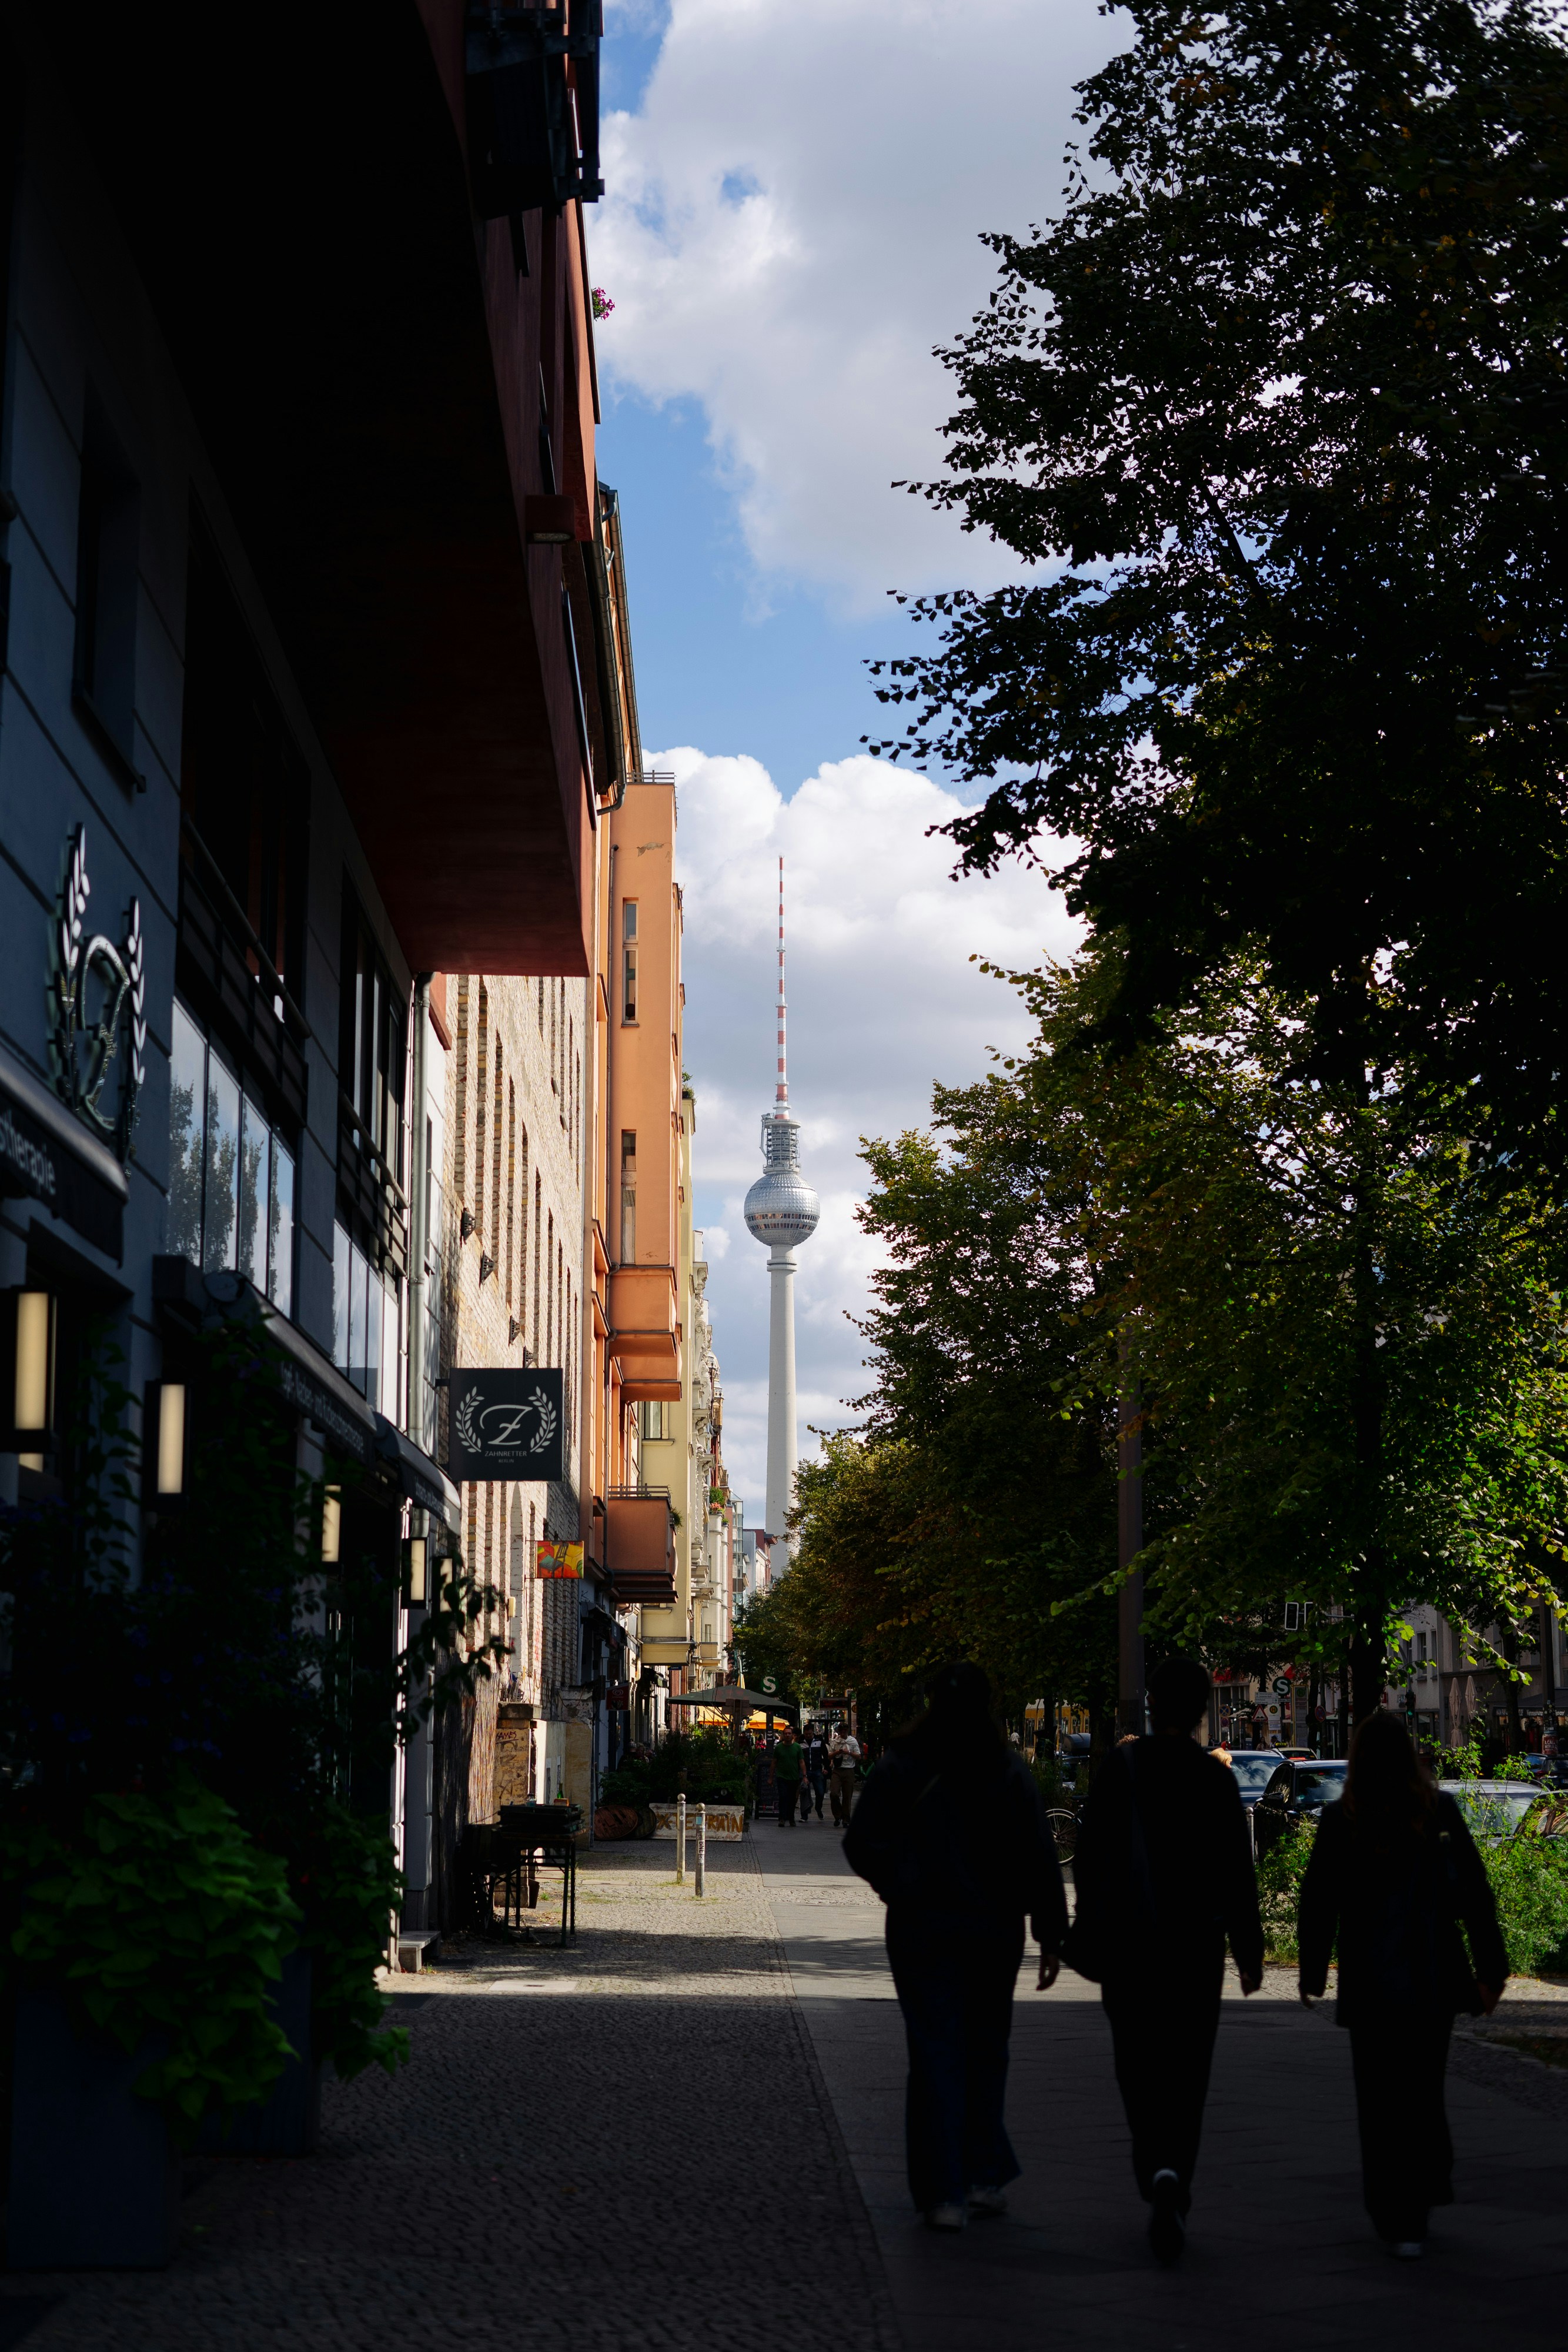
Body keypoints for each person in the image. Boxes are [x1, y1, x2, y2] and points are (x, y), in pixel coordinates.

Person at [845, 1663, 1066, 2231]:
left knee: (933, 2049)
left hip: (920, 1926)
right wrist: (1050, 1934)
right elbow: (1039, 1855)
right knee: (987, 2048)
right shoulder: (1006, 1769)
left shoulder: (902, 1764)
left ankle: (942, 2191)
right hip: (994, 1927)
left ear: (930, 1704)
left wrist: (899, 1885)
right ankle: (982, 2177)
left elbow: (861, 1841)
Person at [1067, 1656, 1263, 2266]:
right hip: (1194, 1950)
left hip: (1130, 1947)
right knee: (1188, 2071)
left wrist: (1086, 1926)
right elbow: (1237, 1873)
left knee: (1137, 2064)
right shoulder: (1214, 1779)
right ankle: (1175, 2171)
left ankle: (1154, 2166)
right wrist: (1249, 1951)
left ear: (1151, 1703)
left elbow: (1090, 1857)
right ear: (1202, 1709)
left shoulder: (1120, 1768)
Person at [1298, 1707, 1506, 2257]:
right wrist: (1490, 1971)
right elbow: (1475, 1894)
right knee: (1422, 2090)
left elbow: (1318, 1902)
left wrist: (1312, 1972)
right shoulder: (1437, 1811)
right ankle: (1423, 2188)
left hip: (1370, 1981)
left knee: (1378, 2100)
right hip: (1432, 1976)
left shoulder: (1342, 1819)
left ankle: (1391, 2208)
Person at [828, 1722, 862, 1827]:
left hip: (849, 1770)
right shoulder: (835, 1742)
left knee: (847, 1796)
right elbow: (829, 1756)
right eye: (841, 1731)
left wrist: (849, 1753)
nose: (843, 1733)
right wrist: (837, 1753)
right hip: (837, 1770)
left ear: (847, 1731)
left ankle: (846, 1819)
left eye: (845, 1731)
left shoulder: (853, 1741)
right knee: (834, 1794)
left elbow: (859, 1756)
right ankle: (838, 1815)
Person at [774, 1728, 804, 1826]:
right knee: (783, 1797)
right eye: (786, 1734)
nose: (787, 1735)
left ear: (792, 1735)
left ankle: (791, 1818)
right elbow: (774, 1762)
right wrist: (770, 1777)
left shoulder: (797, 1747)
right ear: (783, 1735)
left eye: (789, 1733)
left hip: (794, 1777)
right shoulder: (779, 1748)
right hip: (781, 1776)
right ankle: (782, 1818)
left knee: (792, 1799)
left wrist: (805, 1776)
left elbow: (801, 1762)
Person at [803, 1724, 829, 1820]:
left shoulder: (819, 1741)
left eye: (810, 1734)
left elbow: (825, 1755)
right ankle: (804, 1815)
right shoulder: (801, 1743)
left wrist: (826, 1768)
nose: (808, 1736)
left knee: (821, 1792)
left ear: (813, 1732)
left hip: (817, 1770)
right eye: (806, 1734)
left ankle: (818, 1808)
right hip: (806, 1771)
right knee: (804, 1792)